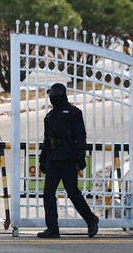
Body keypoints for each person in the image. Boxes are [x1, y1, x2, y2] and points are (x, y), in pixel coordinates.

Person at [37, 83, 99, 238]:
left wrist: (81, 155)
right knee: (48, 194)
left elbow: (80, 135)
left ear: (61, 95)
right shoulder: (50, 116)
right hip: (53, 160)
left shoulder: (73, 112)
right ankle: (52, 228)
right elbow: (47, 140)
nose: (52, 98)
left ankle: (91, 220)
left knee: (73, 193)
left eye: (53, 95)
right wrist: (42, 159)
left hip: (68, 159)